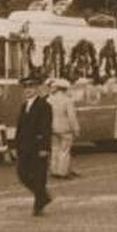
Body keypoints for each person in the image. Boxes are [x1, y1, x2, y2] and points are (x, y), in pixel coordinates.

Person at [16, 75, 53, 216]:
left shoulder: (44, 106)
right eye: (25, 88)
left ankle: (39, 205)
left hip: (38, 147)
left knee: (39, 176)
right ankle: (43, 196)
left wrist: (44, 147)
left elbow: (46, 128)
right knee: (22, 174)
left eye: (31, 87)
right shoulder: (24, 106)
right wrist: (16, 145)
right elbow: (20, 127)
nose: (27, 90)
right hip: (25, 147)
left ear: (37, 89)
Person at [48, 78, 80, 178]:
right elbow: (71, 116)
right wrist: (76, 128)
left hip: (52, 128)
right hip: (65, 129)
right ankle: (63, 171)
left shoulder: (49, 100)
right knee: (65, 150)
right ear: (65, 89)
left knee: (54, 149)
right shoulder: (67, 100)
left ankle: (54, 170)